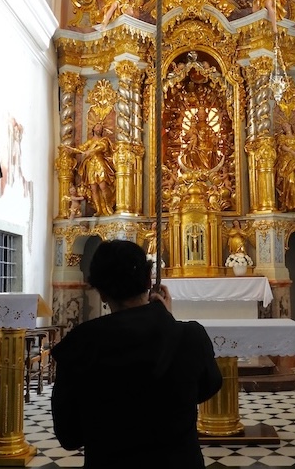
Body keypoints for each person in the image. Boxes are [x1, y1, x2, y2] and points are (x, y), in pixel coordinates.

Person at [51, 240, 222, 469]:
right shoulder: (190, 336)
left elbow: (69, 436)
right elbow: (207, 387)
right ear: (149, 280)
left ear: (100, 292)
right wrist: (165, 320)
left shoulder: (80, 344)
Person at [75, 123, 115, 215]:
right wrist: (71, 150)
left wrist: (91, 151)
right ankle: (98, 209)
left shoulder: (104, 140)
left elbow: (102, 147)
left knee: (103, 186)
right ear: (93, 129)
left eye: (100, 128)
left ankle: (108, 206)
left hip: (100, 163)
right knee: (94, 189)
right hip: (90, 165)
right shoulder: (89, 141)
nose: (99, 129)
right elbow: (80, 148)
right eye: (97, 127)